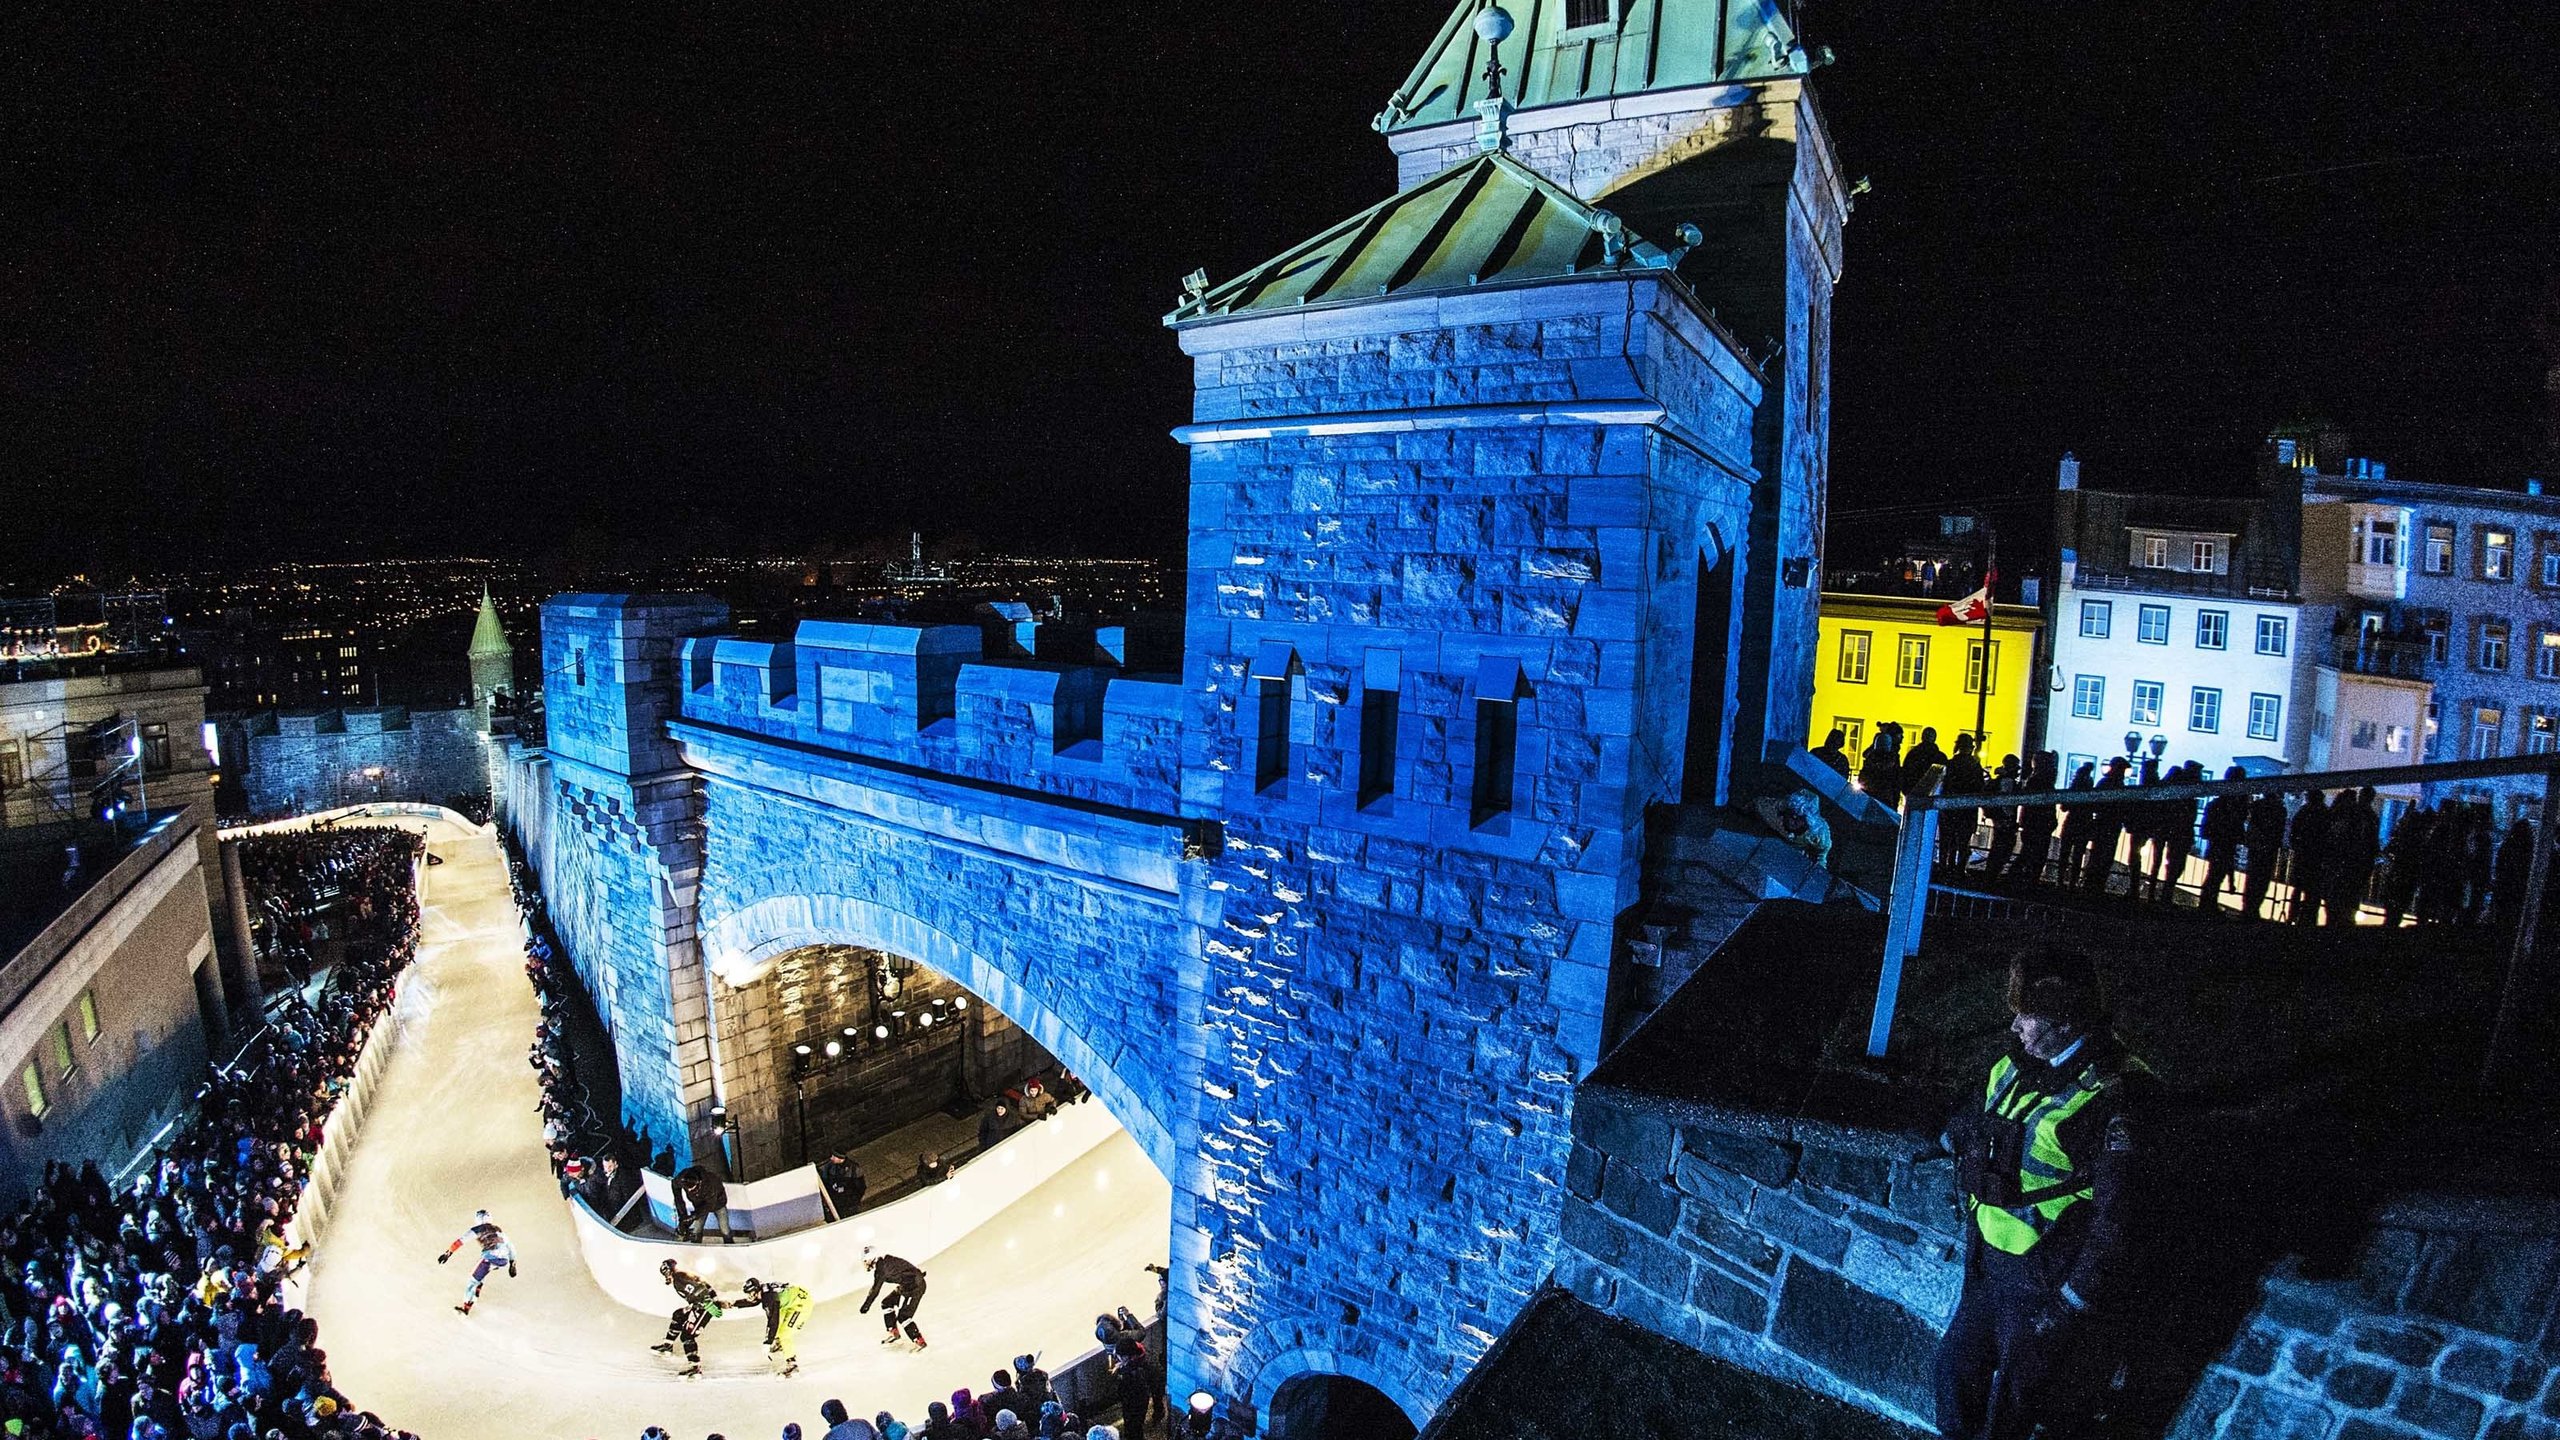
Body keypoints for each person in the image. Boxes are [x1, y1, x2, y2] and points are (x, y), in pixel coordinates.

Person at [1935, 949, 2155, 1440]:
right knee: (1953, 1376)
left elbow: (2118, 1216)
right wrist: (1953, 1134)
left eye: (2026, 1015)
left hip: (2042, 1274)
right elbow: (1983, 1114)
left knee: (2015, 1410)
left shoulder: (2114, 1096)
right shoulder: (2020, 1064)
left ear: (2064, 1021)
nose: (2014, 1026)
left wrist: (2072, 1301)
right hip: (1988, 1261)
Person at [651, 1257, 724, 1377]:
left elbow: (699, 1290)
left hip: (703, 1307)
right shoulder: (682, 1276)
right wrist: (712, 1298)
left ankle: (695, 1368)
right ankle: (667, 1345)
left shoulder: (679, 1278)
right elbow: (703, 1284)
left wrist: (708, 1303)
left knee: (687, 1336)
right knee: (678, 1314)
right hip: (700, 1304)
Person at [435, 1210, 515, 1315]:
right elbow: (510, 1247)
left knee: (472, 1280)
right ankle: (478, 1287)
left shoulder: (478, 1229)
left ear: (477, 1219)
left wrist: (447, 1253)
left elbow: (460, 1242)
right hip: (503, 1260)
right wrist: (512, 1264)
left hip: (490, 1257)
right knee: (482, 1271)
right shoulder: (498, 1230)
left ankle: (465, 1308)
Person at [737, 1276, 812, 1377]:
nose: (749, 1297)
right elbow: (754, 1302)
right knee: (777, 1328)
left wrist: (767, 1342)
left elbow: (773, 1322)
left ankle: (792, 1364)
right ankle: (779, 1343)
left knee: (784, 1334)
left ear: (755, 1291)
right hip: (791, 1301)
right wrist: (732, 1304)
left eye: (750, 1294)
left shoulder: (769, 1299)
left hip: (801, 1304)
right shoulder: (764, 1291)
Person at [2197, 767, 2248, 915]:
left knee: (2215, 873)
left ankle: (2207, 903)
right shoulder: (2234, 804)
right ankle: (2208, 904)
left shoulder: (2218, 803)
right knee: (2216, 874)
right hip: (2224, 841)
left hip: (2218, 841)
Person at [860, 1248, 929, 1348]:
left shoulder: (881, 1269)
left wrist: (866, 1306)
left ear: (871, 1259)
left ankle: (919, 1340)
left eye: (866, 1261)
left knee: (903, 1317)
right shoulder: (883, 1263)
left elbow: (875, 1290)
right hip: (906, 1285)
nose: (865, 1264)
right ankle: (893, 1332)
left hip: (914, 1287)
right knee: (887, 1303)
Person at [1939, 734, 1988, 870]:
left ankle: (1944, 866)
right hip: (1967, 810)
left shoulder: (1950, 764)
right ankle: (1959, 869)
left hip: (1949, 809)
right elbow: (1979, 787)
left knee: (1946, 840)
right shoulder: (1975, 766)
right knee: (1963, 841)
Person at [1753, 788, 1833, 868]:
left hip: (1795, 855)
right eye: (1791, 815)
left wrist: (1819, 866)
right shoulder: (1771, 811)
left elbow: (1824, 849)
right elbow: (1757, 803)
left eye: (1799, 819)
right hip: (1768, 841)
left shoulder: (1819, 833)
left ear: (1807, 821)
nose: (1792, 821)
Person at [2242, 789, 2290, 920]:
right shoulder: (2280, 809)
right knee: (2262, 880)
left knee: (2252, 877)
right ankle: (2254, 907)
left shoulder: (2258, 806)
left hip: (2256, 847)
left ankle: (2248, 907)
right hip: (2269, 849)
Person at [2286, 792, 2332, 926]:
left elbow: (2293, 832)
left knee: (2298, 888)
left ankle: (2292, 916)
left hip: (2303, 856)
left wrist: (2297, 847)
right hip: (2317, 859)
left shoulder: (2304, 812)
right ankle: (2309, 919)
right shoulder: (2325, 813)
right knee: (2313, 892)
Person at [2014, 753, 2061, 884]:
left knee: (2028, 852)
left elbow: (2028, 803)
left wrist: (2023, 820)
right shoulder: (2047, 780)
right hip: (2043, 823)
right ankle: (2029, 879)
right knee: (2037, 854)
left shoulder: (2034, 779)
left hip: (2033, 822)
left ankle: (2017, 878)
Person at [673, 1162, 727, 1243]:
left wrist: (692, 1217)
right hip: (699, 1205)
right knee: (697, 1229)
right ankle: (696, 1244)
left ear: (698, 1183)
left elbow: (709, 1205)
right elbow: (677, 1194)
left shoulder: (710, 1183)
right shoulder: (682, 1178)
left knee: (725, 1228)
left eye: (692, 1188)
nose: (689, 1190)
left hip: (718, 1203)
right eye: (687, 1188)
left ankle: (729, 1242)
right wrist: (682, 1215)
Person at [1860, 726, 1905, 811]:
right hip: (1886, 794)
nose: (1902, 738)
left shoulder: (1871, 758)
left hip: (1873, 793)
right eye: (1900, 735)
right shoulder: (1892, 757)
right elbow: (1895, 777)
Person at [818, 1151, 868, 1217]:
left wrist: (854, 1200)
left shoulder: (854, 1169)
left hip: (850, 1203)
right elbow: (826, 1181)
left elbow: (861, 1187)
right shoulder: (829, 1167)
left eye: (834, 1157)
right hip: (837, 1202)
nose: (831, 1158)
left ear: (840, 1158)